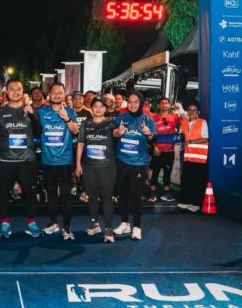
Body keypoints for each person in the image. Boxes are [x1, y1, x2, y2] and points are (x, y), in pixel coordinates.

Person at [0, 79, 42, 238]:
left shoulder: (31, 110)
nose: (15, 92)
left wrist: (31, 115)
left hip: (27, 159)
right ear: (7, 92)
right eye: (12, 89)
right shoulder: (0, 112)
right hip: (5, 160)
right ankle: (5, 224)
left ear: (23, 92)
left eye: (18, 89)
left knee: (29, 192)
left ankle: (31, 223)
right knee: (3, 193)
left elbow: (38, 132)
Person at [37, 83, 79, 239]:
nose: (56, 95)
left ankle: (67, 227)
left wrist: (66, 118)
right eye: (54, 92)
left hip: (65, 161)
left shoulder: (70, 112)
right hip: (47, 161)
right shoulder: (41, 111)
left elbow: (76, 130)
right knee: (51, 193)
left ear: (64, 94)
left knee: (66, 195)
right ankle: (53, 223)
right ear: (49, 94)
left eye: (60, 92)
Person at [112, 90, 156, 240]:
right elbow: (114, 134)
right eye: (130, 101)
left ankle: (137, 227)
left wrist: (148, 133)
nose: (132, 104)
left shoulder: (148, 120)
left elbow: (153, 139)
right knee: (122, 194)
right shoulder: (121, 117)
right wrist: (118, 132)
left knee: (136, 196)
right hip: (121, 161)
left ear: (141, 103)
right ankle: (125, 223)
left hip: (138, 163)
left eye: (136, 101)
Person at [76, 97, 117, 242]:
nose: (98, 109)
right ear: (91, 108)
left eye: (101, 106)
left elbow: (116, 133)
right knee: (92, 196)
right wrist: (78, 164)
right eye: (95, 106)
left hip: (107, 167)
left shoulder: (110, 123)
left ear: (106, 108)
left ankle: (109, 229)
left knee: (106, 197)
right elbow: (80, 143)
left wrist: (120, 131)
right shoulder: (85, 123)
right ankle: (95, 224)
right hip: (88, 166)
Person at [176, 101, 209, 213]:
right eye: (189, 110)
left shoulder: (202, 122)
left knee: (197, 181)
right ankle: (185, 201)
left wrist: (190, 141)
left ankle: (196, 203)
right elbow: (180, 137)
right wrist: (178, 140)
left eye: (194, 110)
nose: (192, 112)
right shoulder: (184, 123)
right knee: (187, 180)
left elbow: (206, 138)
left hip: (200, 157)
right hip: (187, 156)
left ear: (198, 112)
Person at [148, 97, 181, 203]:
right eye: (162, 103)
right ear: (158, 106)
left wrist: (180, 109)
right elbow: (149, 134)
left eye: (166, 103)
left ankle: (166, 193)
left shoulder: (174, 117)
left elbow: (186, 119)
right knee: (155, 172)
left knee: (167, 172)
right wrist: (153, 147)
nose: (164, 105)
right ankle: (152, 194)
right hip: (157, 150)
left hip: (170, 151)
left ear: (169, 105)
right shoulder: (153, 118)